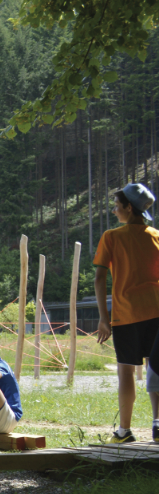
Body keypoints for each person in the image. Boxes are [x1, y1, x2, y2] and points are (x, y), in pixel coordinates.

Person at [94, 182, 159, 442]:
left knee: (126, 371)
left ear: (129, 208)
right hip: (156, 310)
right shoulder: (156, 235)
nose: (114, 211)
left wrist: (103, 318)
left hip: (126, 313)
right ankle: (158, 425)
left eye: (117, 206)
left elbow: (100, 278)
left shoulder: (112, 237)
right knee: (156, 368)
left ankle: (124, 430)